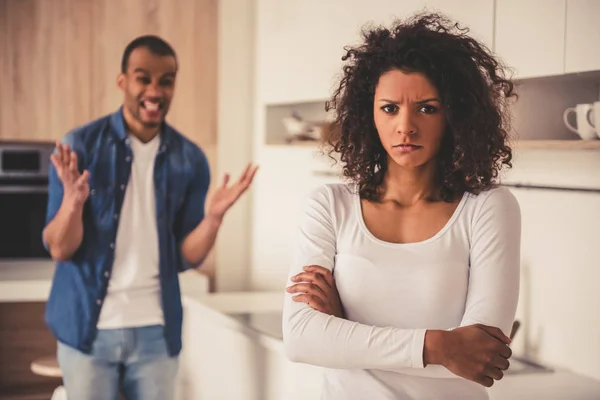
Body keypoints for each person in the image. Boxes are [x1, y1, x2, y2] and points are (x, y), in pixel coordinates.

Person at [282, 12, 521, 400]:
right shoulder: (329, 205)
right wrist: (441, 346)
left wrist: (343, 328)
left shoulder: (489, 208)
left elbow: (481, 361)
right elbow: (300, 340)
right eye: (390, 108)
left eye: (427, 108)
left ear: (453, 114)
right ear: (368, 115)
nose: (405, 126)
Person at [42, 35, 257, 400]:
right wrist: (73, 203)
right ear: (123, 81)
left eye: (166, 80)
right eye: (144, 78)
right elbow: (60, 249)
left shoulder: (190, 160)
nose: (155, 90)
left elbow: (186, 257)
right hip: (88, 330)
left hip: (156, 332)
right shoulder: (80, 147)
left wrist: (214, 219)